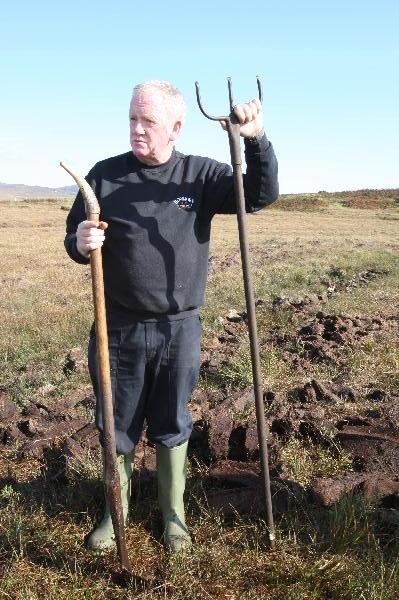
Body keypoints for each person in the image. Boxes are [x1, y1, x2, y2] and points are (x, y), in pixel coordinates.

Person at [64, 80, 279, 554]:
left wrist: (256, 140)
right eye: (132, 119)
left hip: (179, 328)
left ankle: (172, 516)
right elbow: (75, 236)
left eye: (148, 122)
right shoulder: (104, 176)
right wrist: (80, 243)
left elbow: (258, 195)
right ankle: (112, 512)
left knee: (171, 422)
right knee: (116, 423)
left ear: (177, 127)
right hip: (118, 328)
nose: (136, 130)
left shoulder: (199, 176)